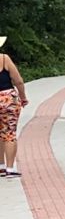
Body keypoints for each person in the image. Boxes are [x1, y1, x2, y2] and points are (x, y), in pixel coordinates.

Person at [0, 36, 27, 177]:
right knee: (9, 133)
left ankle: (1, 166)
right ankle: (10, 169)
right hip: (7, 99)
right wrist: (23, 98)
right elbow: (18, 81)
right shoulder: (4, 59)